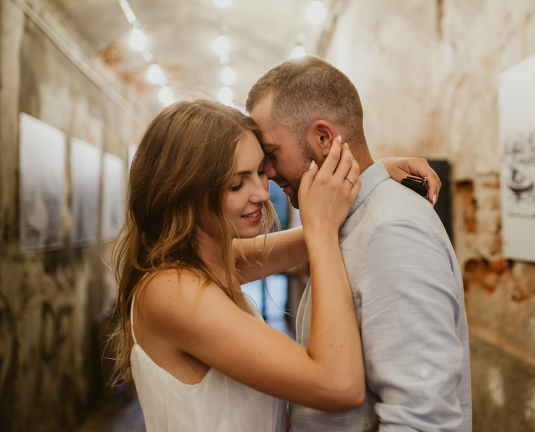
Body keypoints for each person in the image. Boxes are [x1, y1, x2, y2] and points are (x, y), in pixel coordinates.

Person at [110, 99, 439, 431]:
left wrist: (372, 178)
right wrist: (322, 231)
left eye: (260, 172)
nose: (262, 194)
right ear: (183, 193)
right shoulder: (172, 290)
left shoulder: (208, 262)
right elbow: (339, 385)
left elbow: (301, 241)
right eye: (236, 184)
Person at [245, 56, 472, 432]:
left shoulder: (392, 231)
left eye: (271, 153)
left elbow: (423, 419)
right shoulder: (346, 220)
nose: (266, 173)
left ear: (323, 138)